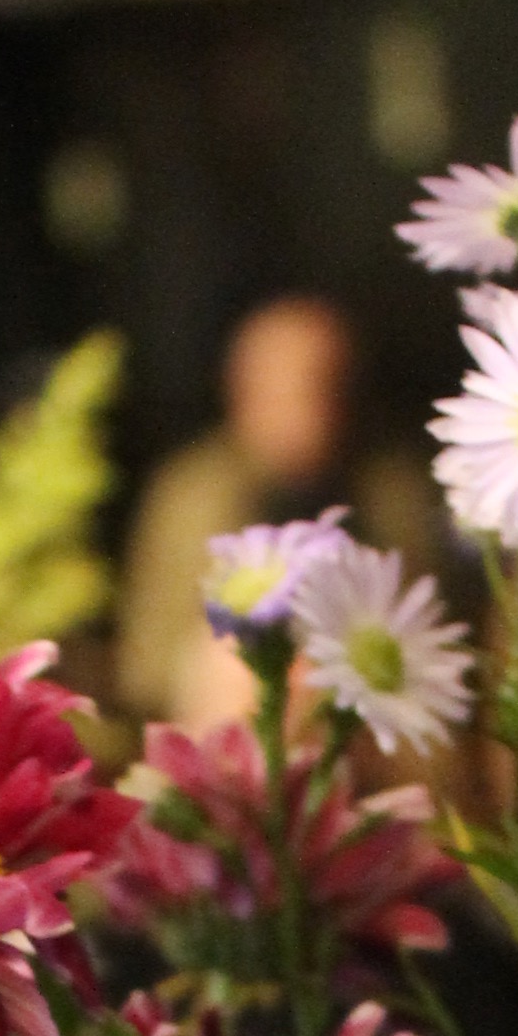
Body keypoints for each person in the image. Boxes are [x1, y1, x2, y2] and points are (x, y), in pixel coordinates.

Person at [111, 295, 439, 726]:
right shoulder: (194, 495)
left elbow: (425, 636)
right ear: (241, 392)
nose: (309, 411)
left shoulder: (391, 491)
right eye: (283, 390)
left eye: (325, 387)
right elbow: (149, 667)